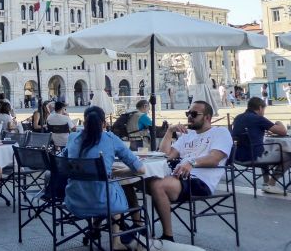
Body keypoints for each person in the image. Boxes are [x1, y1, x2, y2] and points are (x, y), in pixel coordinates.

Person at [149, 101, 232, 243]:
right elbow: (164, 156)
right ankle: (136, 227)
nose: (189, 117)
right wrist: (169, 131)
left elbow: (214, 159)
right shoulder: (187, 135)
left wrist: (192, 163)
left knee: (157, 185)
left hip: (200, 181)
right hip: (178, 176)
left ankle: (168, 237)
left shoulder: (220, 132)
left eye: (194, 114)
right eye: (188, 113)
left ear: (207, 117)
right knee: (134, 180)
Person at [63, 106, 145, 218]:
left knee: (105, 186)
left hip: (75, 202)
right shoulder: (111, 139)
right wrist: (117, 173)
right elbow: (140, 170)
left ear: (84, 122)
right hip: (106, 203)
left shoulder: (73, 138)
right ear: (104, 123)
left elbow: (62, 161)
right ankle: (118, 234)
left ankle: (96, 228)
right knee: (113, 188)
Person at [232, 97, 289, 194]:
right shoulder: (258, 118)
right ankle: (271, 184)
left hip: (237, 155)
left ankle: (266, 182)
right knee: (289, 155)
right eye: (264, 109)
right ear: (260, 108)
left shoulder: (238, 117)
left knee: (264, 149)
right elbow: (283, 131)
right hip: (253, 157)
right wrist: (279, 122)